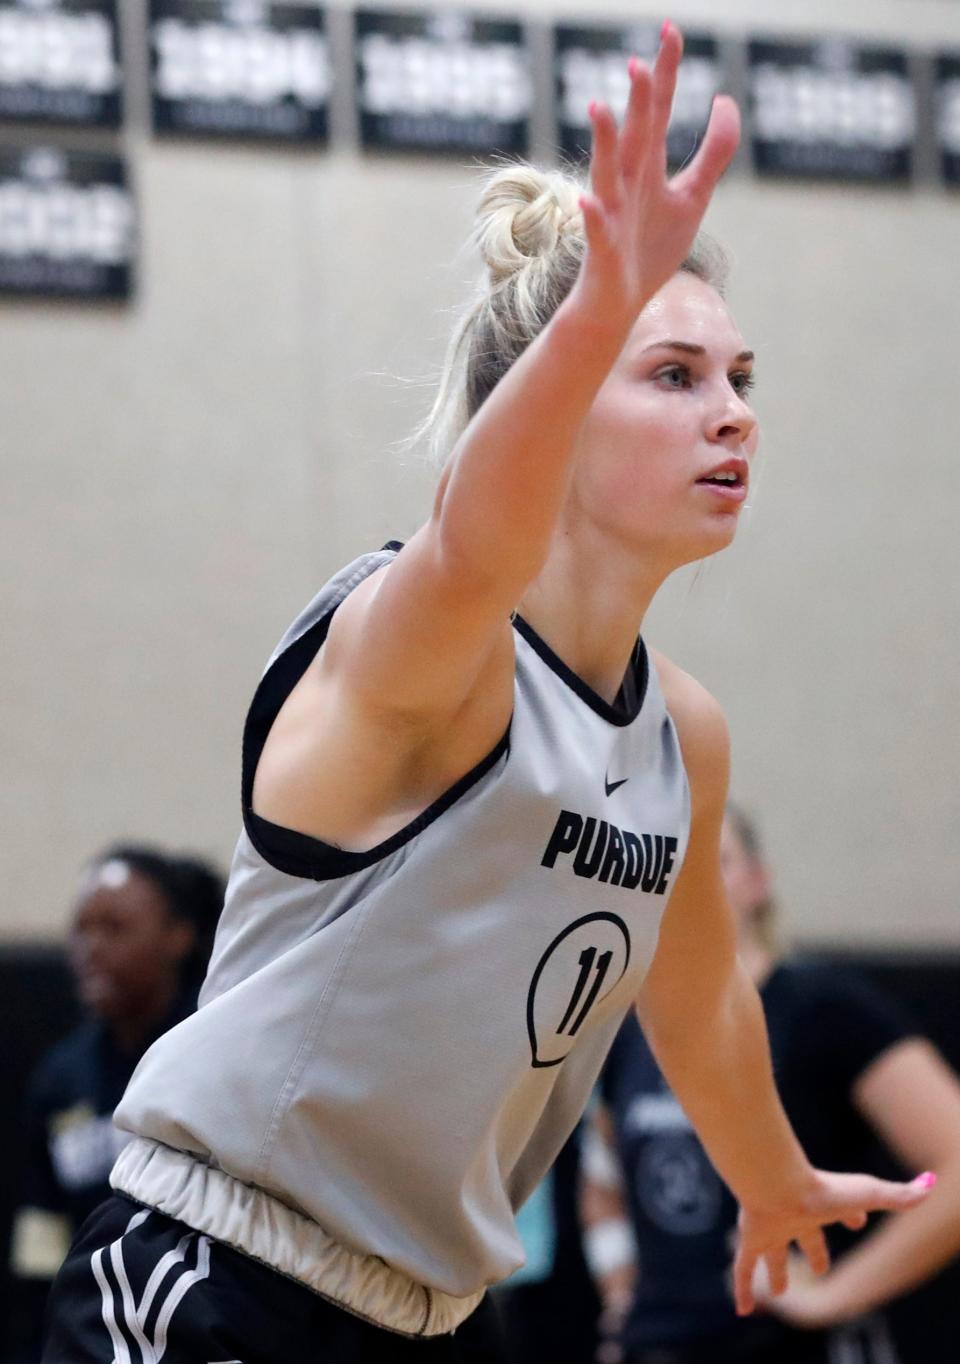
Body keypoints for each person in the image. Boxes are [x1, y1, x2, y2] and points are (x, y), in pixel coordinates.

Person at [43, 25, 934, 1364]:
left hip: (437, 1311)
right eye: (678, 376)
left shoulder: (682, 732)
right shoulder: (427, 644)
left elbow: (697, 1005)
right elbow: (477, 544)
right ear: (556, 407)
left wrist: (771, 1176)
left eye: (742, 381)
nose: (735, 414)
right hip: (224, 1268)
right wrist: (592, 313)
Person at [583, 805, 960, 1364]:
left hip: (788, 1344)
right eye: (671, 864)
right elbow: (603, 1184)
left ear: (756, 882)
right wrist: (621, 1295)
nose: (686, 884)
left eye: (714, 863)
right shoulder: (626, 1021)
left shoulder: (822, 1006)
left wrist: (835, 1295)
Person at [8, 843, 224, 1361]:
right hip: (89, 1329)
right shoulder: (60, 1079)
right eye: (83, 928)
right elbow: (41, 1237)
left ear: (178, 936)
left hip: (200, 1324)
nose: (92, 947)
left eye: (115, 928)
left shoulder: (211, 1055)